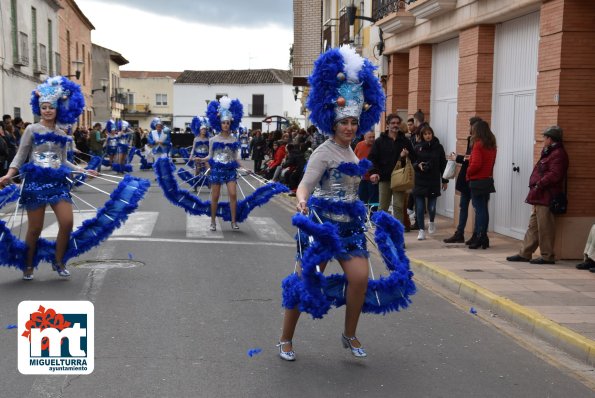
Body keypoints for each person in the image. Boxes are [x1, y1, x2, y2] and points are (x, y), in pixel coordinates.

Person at [278, 46, 415, 361]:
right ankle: (286, 338)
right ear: (333, 122)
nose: (350, 127)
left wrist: (362, 183)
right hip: (323, 227)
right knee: (304, 281)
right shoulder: (323, 152)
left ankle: (349, 333)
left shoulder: (354, 152)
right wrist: (301, 202)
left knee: (360, 279)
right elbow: (305, 185)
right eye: (344, 122)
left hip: (350, 228)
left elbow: (349, 187)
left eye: (354, 122)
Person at [0, 76, 97, 280]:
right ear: (39, 108)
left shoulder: (62, 133)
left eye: (51, 107)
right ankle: (28, 264)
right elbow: (20, 154)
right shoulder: (31, 129)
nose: (47, 110)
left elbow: (63, 161)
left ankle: (59, 261)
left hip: (57, 183)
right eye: (44, 107)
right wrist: (9, 174)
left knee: (67, 222)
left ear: (57, 109)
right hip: (36, 183)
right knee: (35, 228)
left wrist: (84, 171)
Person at [507, 126, 569, 264]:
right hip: (539, 195)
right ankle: (525, 253)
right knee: (533, 227)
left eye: (545, 137)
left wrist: (539, 184)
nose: (543, 140)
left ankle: (547, 256)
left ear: (550, 138)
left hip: (547, 196)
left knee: (545, 228)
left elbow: (555, 174)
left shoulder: (558, 154)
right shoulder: (549, 152)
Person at [200, 96, 243, 231]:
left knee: (233, 194)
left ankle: (233, 221)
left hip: (230, 171)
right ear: (220, 123)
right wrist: (201, 160)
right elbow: (210, 156)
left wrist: (245, 168)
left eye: (227, 123)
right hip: (217, 171)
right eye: (223, 122)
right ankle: (213, 221)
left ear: (231, 124)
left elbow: (236, 158)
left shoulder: (234, 140)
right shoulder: (213, 139)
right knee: (215, 196)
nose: (225, 125)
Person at [368, 114, 415, 226]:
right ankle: (382, 235)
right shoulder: (380, 141)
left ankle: (398, 237)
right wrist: (374, 172)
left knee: (398, 207)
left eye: (397, 123)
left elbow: (414, 157)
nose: (395, 125)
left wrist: (406, 156)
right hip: (384, 178)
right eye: (393, 123)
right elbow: (372, 158)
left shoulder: (405, 141)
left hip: (400, 178)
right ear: (388, 125)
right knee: (383, 207)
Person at [444, 116, 483, 244]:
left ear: (474, 127)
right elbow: (468, 157)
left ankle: (477, 235)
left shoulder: (481, 142)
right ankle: (459, 233)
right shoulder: (470, 140)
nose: (468, 128)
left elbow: (471, 159)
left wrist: (458, 158)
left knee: (477, 208)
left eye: (470, 125)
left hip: (473, 178)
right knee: (463, 206)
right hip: (465, 177)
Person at [412, 125, 448, 240]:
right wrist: (418, 166)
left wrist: (445, 180)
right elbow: (412, 163)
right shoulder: (417, 147)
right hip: (419, 180)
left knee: (432, 208)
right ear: (422, 136)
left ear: (432, 134)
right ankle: (421, 230)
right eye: (425, 134)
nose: (428, 136)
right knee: (420, 208)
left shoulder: (439, 147)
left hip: (433, 181)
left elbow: (443, 164)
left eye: (429, 133)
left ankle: (432, 222)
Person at [465, 120, 497, 249]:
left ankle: (480, 237)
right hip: (487, 180)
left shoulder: (478, 144)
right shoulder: (492, 145)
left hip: (477, 180)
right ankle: (483, 237)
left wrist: (468, 172)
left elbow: (476, 164)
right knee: (484, 209)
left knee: (479, 210)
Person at [354, 131, 379, 208]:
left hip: (373, 179)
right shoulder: (359, 145)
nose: (372, 139)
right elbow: (354, 159)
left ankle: (372, 217)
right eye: (370, 137)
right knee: (362, 200)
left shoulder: (377, 146)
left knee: (374, 201)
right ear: (365, 137)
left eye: (373, 137)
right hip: (362, 178)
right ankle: (364, 218)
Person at [188, 116, 211, 192]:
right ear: (199, 130)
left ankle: (208, 183)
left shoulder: (208, 139)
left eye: (205, 129)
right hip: (198, 157)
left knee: (208, 170)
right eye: (202, 129)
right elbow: (193, 148)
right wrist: (191, 156)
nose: (204, 131)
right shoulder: (196, 138)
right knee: (198, 170)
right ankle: (195, 184)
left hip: (206, 157)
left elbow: (210, 149)